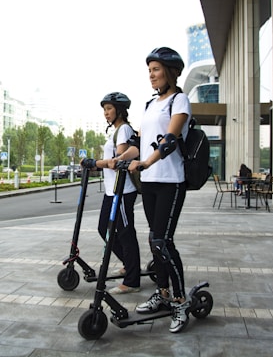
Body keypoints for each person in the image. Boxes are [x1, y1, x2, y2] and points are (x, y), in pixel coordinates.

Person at [111, 47, 192, 332]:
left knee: (163, 242)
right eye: (149, 71)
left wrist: (146, 162)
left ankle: (180, 300)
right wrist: (121, 159)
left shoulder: (179, 100)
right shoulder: (149, 104)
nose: (151, 75)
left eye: (156, 70)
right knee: (153, 241)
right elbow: (139, 143)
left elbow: (169, 140)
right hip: (151, 183)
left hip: (171, 181)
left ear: (170, 72)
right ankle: (163, 292)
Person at [81, 92, 141, 294]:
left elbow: (117, 163)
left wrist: (95, 163)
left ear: (120, 110)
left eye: (109, 109)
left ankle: (132, 280)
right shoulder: (116, 131)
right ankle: (128, 262)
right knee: (103, 228)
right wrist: (95, 165)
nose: (106, 113)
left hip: (122, 191)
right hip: (112, 191)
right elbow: (109, 163)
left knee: (125, 232)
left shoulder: (123, 130)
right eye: (104, 109)